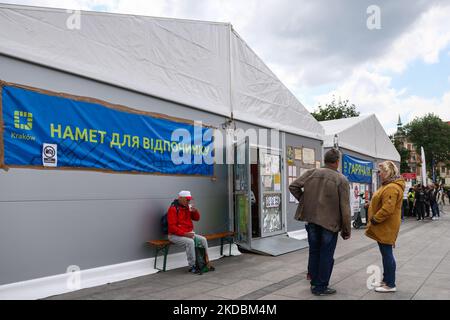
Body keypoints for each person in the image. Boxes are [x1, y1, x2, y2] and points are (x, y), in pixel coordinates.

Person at [289, 148, 351, 296]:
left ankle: (313, 278)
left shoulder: (312, 173)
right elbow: (345, 207)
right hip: (330, 224)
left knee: (314, 250)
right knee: (326, 255)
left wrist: (304, 201)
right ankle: (320, 286)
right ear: (337, 162)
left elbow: (293, 186)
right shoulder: (341, 179)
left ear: (325, 160)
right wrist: (346, 230)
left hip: (312, 220)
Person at [365, 161, 405, 293]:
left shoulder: (391, 187)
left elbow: (388, 208)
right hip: (385, 225)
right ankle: (386, 280)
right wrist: (371, 205)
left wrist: (375, 219)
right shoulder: (388, 186)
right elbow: (383, 202)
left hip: (385, 226)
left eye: (381, 171)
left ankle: (390, 284)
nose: (379, 173)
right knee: (385, 254)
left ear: (388, 172)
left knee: (387, 254)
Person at [167, 190, 214, 274]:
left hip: (188, 233)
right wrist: (185, 234)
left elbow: (197, 219)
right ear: (180, 198)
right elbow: (172, 227)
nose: (188, 201)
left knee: (203, 240)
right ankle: (192, 266)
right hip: (174, 235)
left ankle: (205, 263)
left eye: (189, 200)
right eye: (187, 199)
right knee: (190, 242)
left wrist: (195, 211)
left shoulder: (187, 207)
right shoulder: (173, 209)